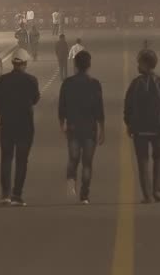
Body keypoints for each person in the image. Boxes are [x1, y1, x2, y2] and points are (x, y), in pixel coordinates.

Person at [0, 48, 41, 206]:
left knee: (6, 159)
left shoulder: (1, 81)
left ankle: (5, 195)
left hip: (7, 126)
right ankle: (17, 195)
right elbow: (35, 99)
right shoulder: (31, 80)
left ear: (12, 63)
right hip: (25, 126)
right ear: (25, 63)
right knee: (21, 160)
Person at [124, 48, 160, 204]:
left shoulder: (135, 84)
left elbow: (128, 106)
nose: (137, 65)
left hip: (139, 131)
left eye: (139, 63)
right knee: (159, 159)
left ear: (145, 64)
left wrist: (129, 125)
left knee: (142, 161)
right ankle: (157, 191)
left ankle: (147, 195)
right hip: (158, 129)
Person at [59, 49, 104, 204]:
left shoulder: (67, 83)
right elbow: (99, 109)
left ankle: (71, 181)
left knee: (73, 158)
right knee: (87, 163)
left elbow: (62, 106)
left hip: (73, 127)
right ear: (89, 65)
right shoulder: (95, 84)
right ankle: (84, 195)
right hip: (90, 129)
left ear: (75, 65)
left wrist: (62, 124)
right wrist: (102, 129)